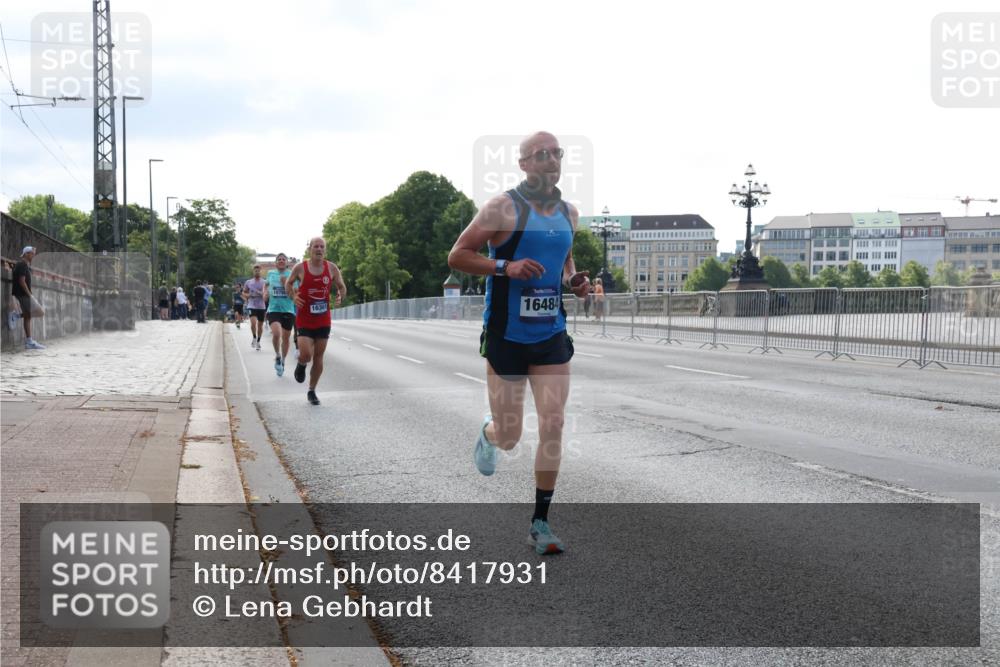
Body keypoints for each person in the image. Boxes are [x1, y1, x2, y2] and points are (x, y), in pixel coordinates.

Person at [447, 131, 590, 555]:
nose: (550, 160)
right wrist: (505, 266)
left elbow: (563, 262)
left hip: (549, 334)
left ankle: (540, 522)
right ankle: (489, 435)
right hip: (507, 334)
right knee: (511, 434)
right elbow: (458, 256)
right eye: (540, 154)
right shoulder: (502, 207)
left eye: (556, 154)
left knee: (554, 423)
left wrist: (573, 281)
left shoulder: (569, 213)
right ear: (523, 163)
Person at [286, 237, 346, 405]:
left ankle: (312, 390)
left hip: (323, 319)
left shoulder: (331, 268)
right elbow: (288, 284)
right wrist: (293, 297)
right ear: (310, 249)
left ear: (324, 250)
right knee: (306, 354)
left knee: (319, 356)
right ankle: (302, 364)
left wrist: (341, 296)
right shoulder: (300, 268)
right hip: (304, 318)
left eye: (322, 247)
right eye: (316, 246)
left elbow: (341, 286)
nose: (319, 249)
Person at [264, 253, 296, 377]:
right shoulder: (271, 273)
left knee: (286, 338)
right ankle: (277, 355)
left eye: (283, 259)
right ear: (275, 262)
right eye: (279, 259)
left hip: (288, 310)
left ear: (287, 262)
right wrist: (265, 293)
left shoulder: (292, 274)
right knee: (277, 333)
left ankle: (282, 361)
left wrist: (285, 284)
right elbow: (266, 285)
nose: (281, 261)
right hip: (274, 309)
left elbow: (295, 294)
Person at [12, 246, 45, 349]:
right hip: (23, 294)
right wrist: (30, 295)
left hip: (22, 294)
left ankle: (29, 341)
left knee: (28, 317)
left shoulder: (25, 265)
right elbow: (22, 282)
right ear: (26, 254)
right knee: (40, 312)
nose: (33, 255)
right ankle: (16, 316)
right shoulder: (22, 264)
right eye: (31, 253)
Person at [242, 266, 267, 349]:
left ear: (261, 272)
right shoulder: (248, 282)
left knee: (260, 325)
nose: (257, 272)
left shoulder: (264, 282)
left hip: (261, 306)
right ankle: (254, 337)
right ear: (253, 272)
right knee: (253, 323)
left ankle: (258, 341)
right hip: (252, 305)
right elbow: (244, 293)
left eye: (258, 271)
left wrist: (263, 294)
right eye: (255, 271)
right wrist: (248, 295)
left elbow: (267, 294)